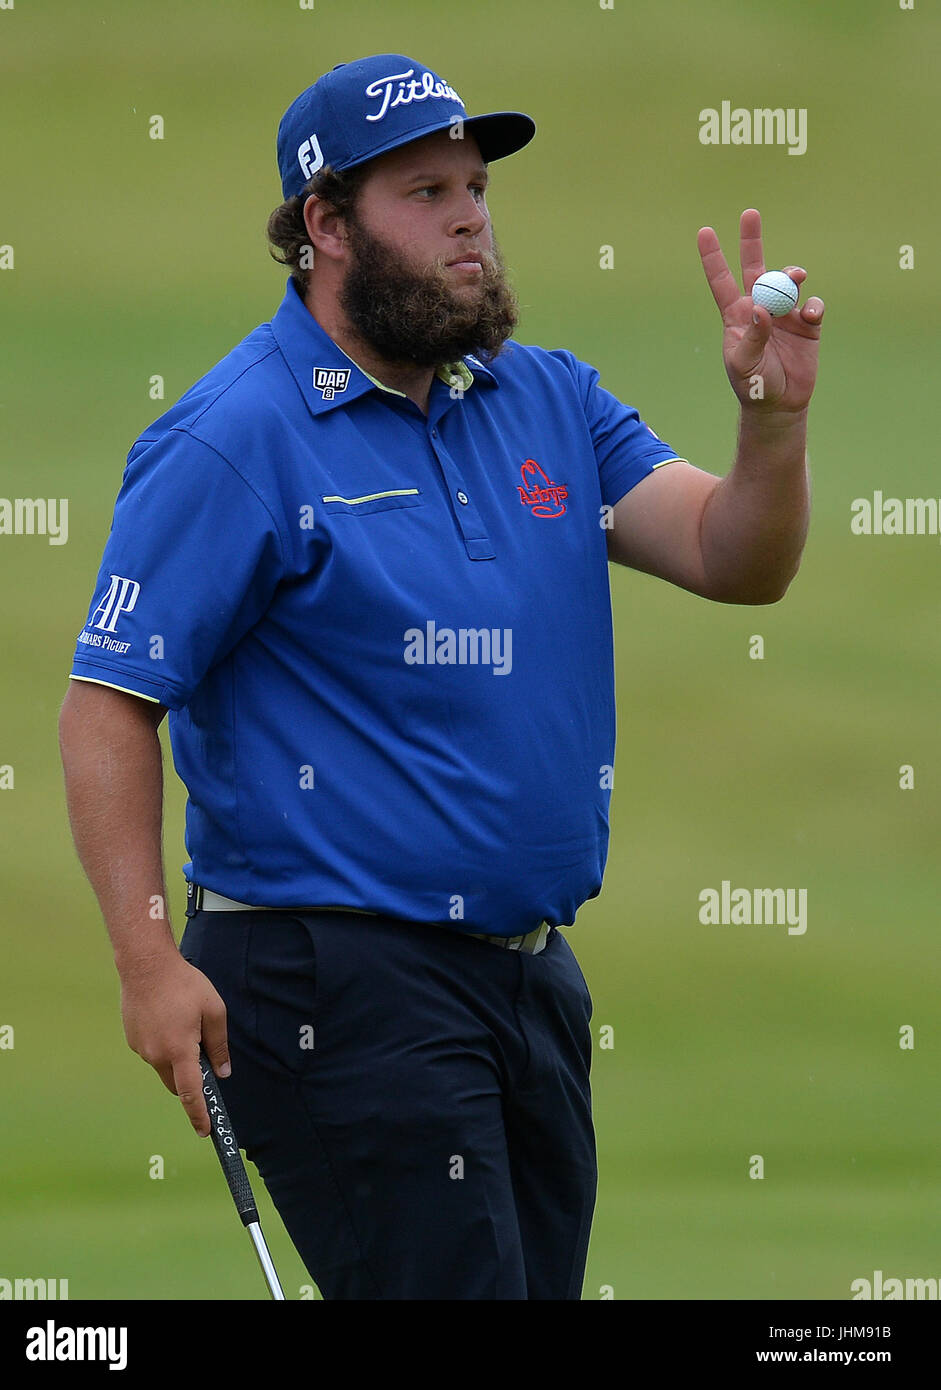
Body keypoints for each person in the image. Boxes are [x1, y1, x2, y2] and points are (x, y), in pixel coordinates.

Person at [58, 53, 824, 1300]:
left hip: (525, 978)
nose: (470, 216)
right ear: (324, 225)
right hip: (335, 981)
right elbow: (106, 705)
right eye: (425, 191)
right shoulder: (235, 435)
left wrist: (770, 424)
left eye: (475, 186)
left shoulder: (546, 399)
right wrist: (148, 963)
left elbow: (731, 556)